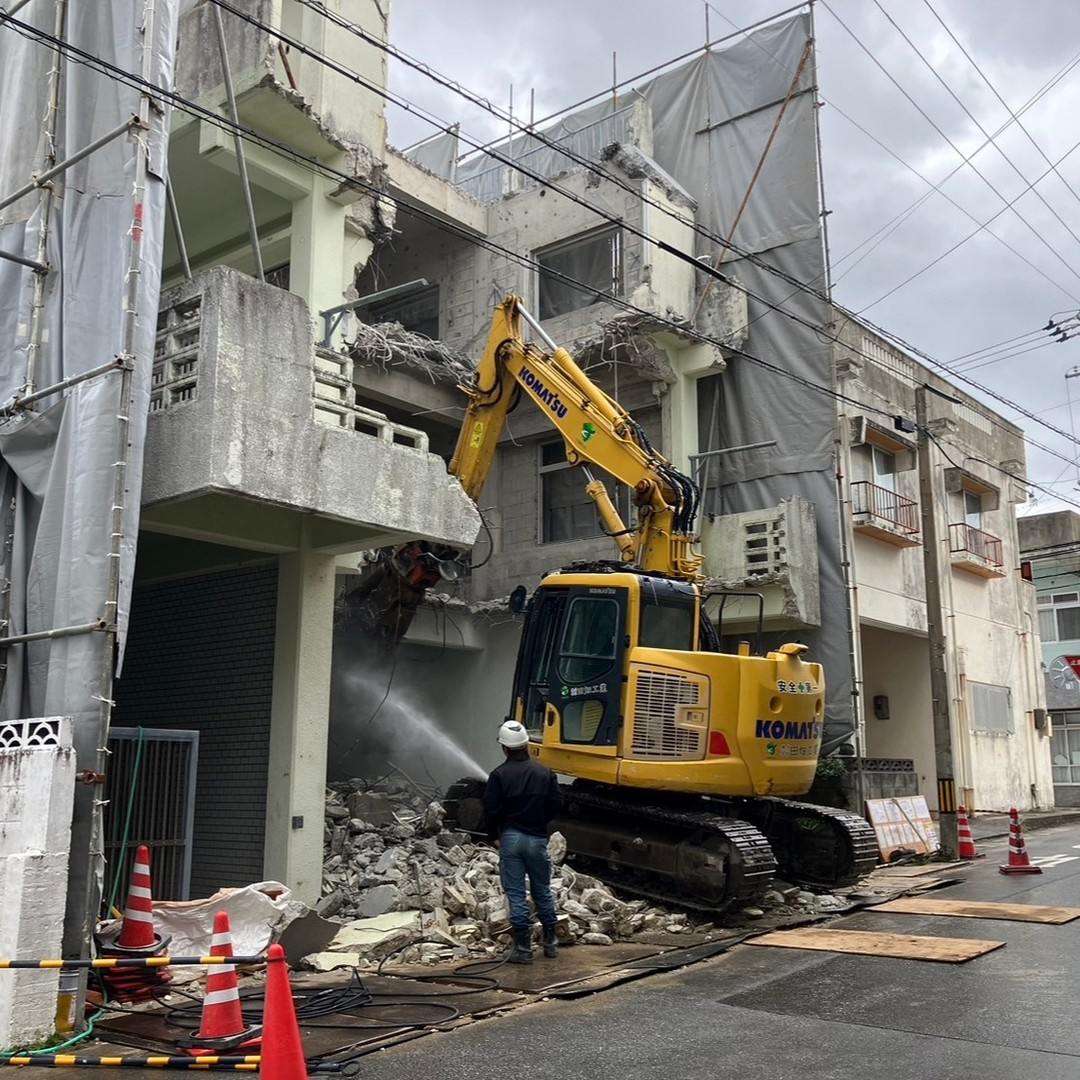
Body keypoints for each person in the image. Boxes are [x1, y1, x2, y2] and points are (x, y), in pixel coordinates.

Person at [483, 719, 563, 963]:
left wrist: (494, 837)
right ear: (527, 744)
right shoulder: (545, 773)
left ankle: (523, 949)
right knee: (542, 890)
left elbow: (490, 810)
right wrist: (540, 823)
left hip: (512, 838)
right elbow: (556, 805)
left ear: (504, 748)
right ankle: (551, 943)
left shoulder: (499, 775)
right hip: (538, 838)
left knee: (516, 893)